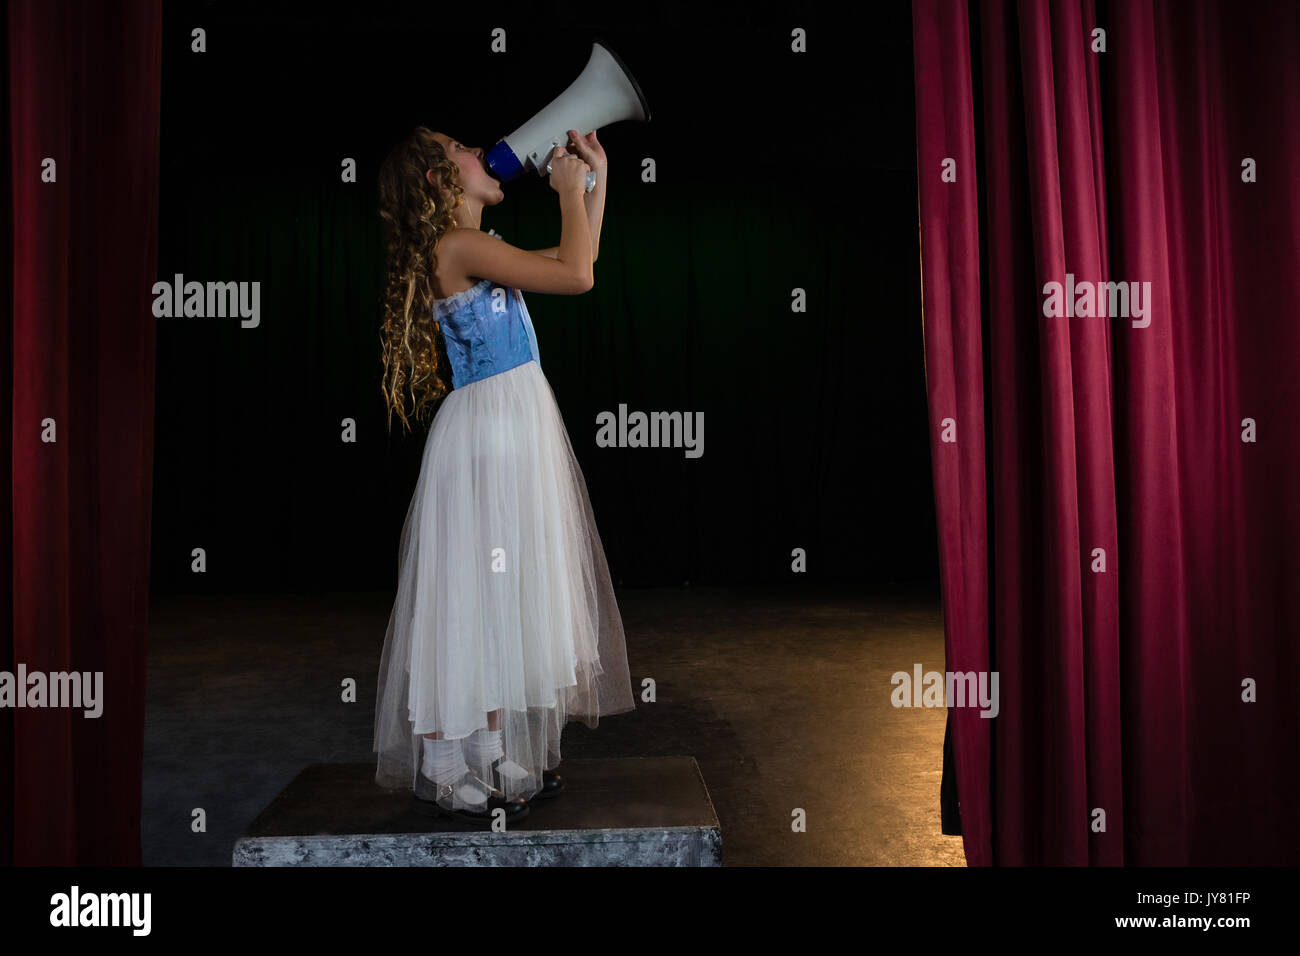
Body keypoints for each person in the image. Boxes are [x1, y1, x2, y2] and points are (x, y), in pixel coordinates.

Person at [372, 126, 635, 827]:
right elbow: (577, 275)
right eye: (460, 146)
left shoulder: (482, 250)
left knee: (498, 593)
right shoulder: (457, 247)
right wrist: (566, 191)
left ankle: (487, 748)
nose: (483, 151)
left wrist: (593, 184)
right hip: (486, 436)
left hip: (512, 431)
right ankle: (443, 761)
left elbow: (581, 258)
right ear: (438, 180)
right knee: (466, 594)